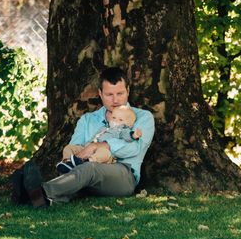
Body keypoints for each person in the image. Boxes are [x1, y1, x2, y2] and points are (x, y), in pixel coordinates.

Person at [11, 67, 155, 208]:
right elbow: (76, 149)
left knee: (88, 169)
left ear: (128, 91)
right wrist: (80, 155)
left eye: (120, 93)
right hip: (85, 173)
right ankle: (40, 200)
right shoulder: (88, 119)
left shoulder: (143, 117)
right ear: (100, 93)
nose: (115, 100)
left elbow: (135, 148)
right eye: (109, 95)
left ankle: (36, 193)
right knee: (80, 174)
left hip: (123, 174)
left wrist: (99, 145)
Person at [56, 105, 142, 173]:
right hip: (86, 148)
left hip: (102, 151)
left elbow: (126, 134)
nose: (115, 121)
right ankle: (67, 162)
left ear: (128, 125)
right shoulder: (105, 127)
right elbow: (95, 137)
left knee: (104, 154)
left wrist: (133, 135)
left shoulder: (122, 129)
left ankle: (87, 162)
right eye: (114, 117)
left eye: (120, 119)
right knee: (69, 147)